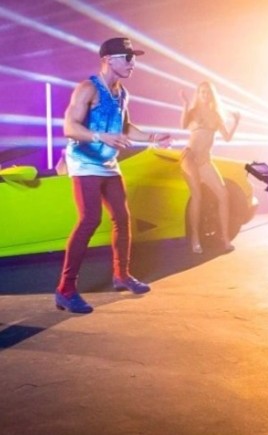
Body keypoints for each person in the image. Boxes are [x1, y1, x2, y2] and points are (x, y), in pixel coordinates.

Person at [55, 37, 171, 314]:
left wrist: (152, 137)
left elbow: (125, 127)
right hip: (85, 162)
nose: (133, 63)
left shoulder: (122, 93)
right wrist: (100, 136)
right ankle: (65, 290)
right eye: (128, 58)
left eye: (134, 58)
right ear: (108, 59)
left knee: (122, 217)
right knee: (90, 220)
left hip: (108, 163)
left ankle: (122, 276)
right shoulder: (87, 88)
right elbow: (70, 127)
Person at [179, 81, 240, 254]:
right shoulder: (193, 111)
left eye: (208, 92)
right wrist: (185, 104)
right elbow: (183, 125)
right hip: (190, 157)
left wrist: (236, 123)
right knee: (197, 196)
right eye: (202, 92)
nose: (205, 95)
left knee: (223, 194)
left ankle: (225, 239)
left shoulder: (216, 115)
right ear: (198, 94)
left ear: (212, 95)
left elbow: (227, 138)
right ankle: (195, 238)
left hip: (205, 160)